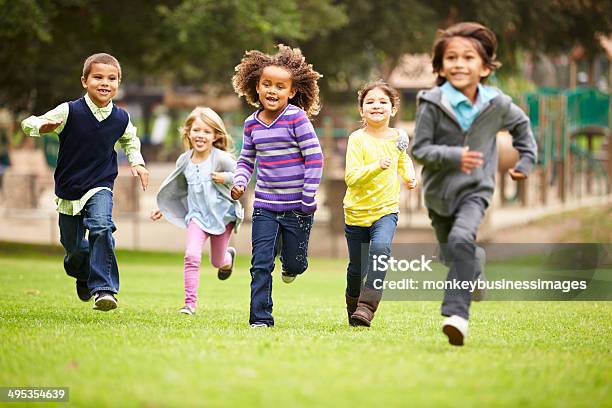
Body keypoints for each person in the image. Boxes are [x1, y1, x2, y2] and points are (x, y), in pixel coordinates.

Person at [412, 22, 537, 345]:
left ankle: (457, 315)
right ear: (440, 66)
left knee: (462, 239)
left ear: (484, 67)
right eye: (451, 58)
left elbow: (523, 129)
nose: (459, 64)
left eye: (468, 58)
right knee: (451, 253)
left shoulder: (497, 104)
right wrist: (454, 156)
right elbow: (420, 149)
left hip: (475, 190)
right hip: (438, 194)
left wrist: (525, 161)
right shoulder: (432, 102)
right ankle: (475, 266)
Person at [21, 53, 149, 311]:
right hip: (69, 188)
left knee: (101, 227)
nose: (105, 83)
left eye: (112, 78)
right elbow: (28, 123)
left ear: (118, 82)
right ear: (84, 81)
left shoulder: (121, 118)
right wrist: (42, 127)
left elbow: (130, 141)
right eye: (98, 77)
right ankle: (82, 273)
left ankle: (104, 290)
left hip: (100, 184)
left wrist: (137, 162)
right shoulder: (69, 111)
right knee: (74, 248)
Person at [231, 44, 324, 327]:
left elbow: (314, 157)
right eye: (267, 85)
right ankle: (260, 318)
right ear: (256, 87)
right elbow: (247, 159)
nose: (273, 91)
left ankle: (291, 259)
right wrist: (239, 181)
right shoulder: (251, 124)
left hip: (298, 206)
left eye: (280, 86)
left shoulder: (296, 118)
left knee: (295, 265)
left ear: (292, 91)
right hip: (265, 206)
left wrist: (308, 197)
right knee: (260, 264)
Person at [151, 107, 243, 316]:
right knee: (191, 255)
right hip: (197, 217)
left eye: (207, 132)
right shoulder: (184, 161)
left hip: (222, 217)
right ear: (188, 132)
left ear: (215, 136)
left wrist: (225, 178)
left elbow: (240, 175)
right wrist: (163, 208)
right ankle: (189, 304)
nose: (201, 135)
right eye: (196, 130)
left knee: (217, 262)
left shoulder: (221, 159)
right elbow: (176, 188)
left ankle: (227, 258)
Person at [343, 80, 417, 327]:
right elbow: (351, 178)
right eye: (370, 102)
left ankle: (366, 307)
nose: (377, 105)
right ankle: (353, 303)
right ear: (361, 110)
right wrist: (376, 167)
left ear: (393, 109)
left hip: (386, 209)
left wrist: (409, 176)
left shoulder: (400, 137)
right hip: (356, 212)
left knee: (380, 251)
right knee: (356, 268)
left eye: (383, 101)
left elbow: (402, 159)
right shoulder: (357, 139)